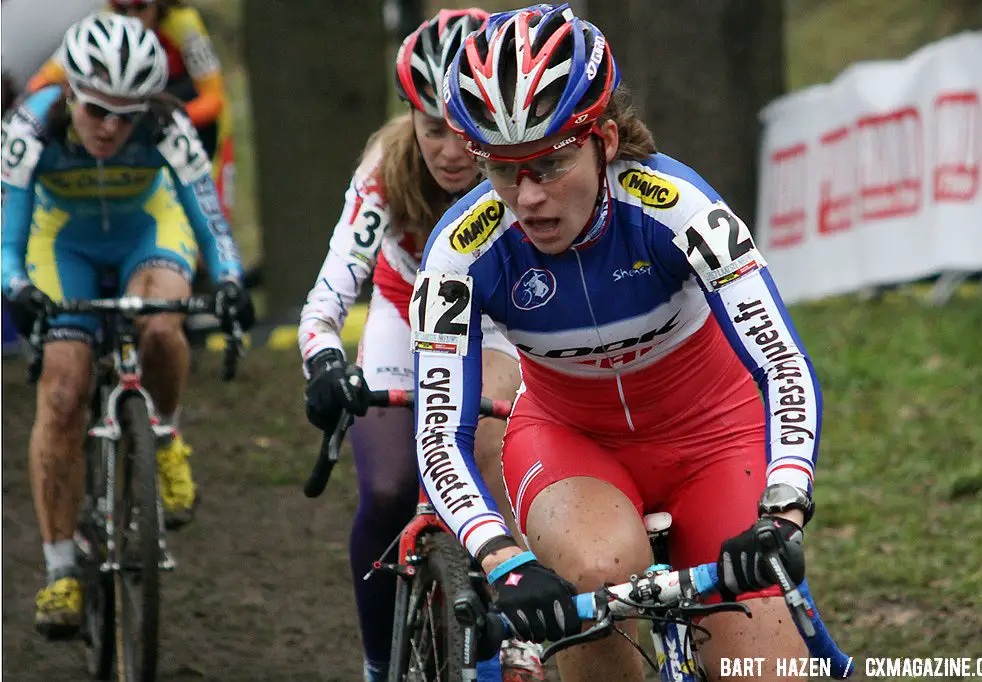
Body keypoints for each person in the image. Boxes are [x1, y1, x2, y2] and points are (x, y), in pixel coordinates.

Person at [413, 4, 818, 681]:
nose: (528, 196)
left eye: (549, 162)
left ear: (601, 138)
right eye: (502, 170)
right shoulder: (462, 250)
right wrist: (499, 559)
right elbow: (437, 433)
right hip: (573, 441)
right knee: (597, 584)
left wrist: (784, 509)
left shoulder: (676, 208)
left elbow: (781, 362)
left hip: (714, 435)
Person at [297, 9, 542, 682]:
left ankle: (511, 642)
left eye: (467, 128)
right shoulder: (387, 168)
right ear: (411, 120)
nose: (452, 150)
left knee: (493, 451)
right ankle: (381, 663)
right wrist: (322, 359)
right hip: (405, 314)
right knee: (386, 488)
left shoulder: (525, 161)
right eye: (434, 129)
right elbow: (328, 292)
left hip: (495, 321)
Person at [1, 13, 252, 639]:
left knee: (164, 327)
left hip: (148, 231)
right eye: (97, 110)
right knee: (63, 390)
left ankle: (163, 437)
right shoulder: (32, 123)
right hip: (65, 245)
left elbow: (209, 220)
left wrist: (229, 282)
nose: (112, 126)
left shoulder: (166, 123)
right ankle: (60, 568)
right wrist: (17, 288)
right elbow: (8, 234)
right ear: (71, 91)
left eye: (126, 113)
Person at [26, 0, 235, 222]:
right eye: (121, 9)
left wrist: (165, 122)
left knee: (212, 217)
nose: (132, 17)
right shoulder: (101, 21)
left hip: (201, 131)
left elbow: (214, 99)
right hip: (132, 121)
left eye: (141, 8)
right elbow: (41, 82)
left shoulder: (183, 23)